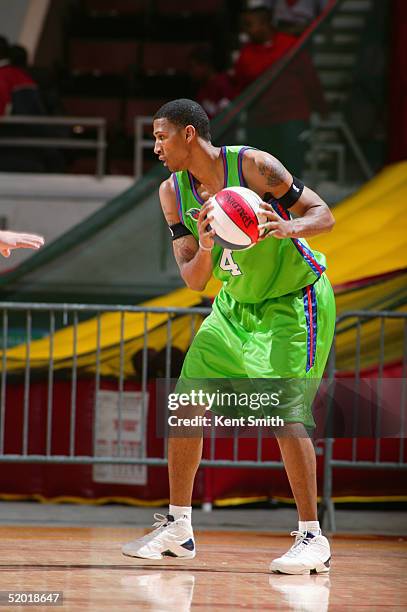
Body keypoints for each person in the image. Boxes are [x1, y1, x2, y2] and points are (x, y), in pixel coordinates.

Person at [122, 99, 335, 575]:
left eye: (161, 136)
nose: (155, 146)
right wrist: (207, 245)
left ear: (190, 135)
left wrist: (288, 226)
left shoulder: (254, 165)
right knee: (185, 405)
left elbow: (324, 214)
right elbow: (195, 281)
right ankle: (178, 528)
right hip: (233, 306)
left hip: (291, 299)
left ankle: (311, 537)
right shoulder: (172, 193)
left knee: (284, 413)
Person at [232, 1, 327, 175]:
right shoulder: (245, 55)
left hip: (291, 119)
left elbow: (309, 78)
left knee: (292, 172)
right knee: (261, 174)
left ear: (265, 23)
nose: (245, 30)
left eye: (248, 24)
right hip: (260, 122)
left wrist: (321, 108)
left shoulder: (290, 45)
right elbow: (239, 88)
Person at [188, 47, 235, 119]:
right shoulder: (202, 90)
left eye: (193, 67)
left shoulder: (223, 84)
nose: (191, 72)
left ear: (206, 65)